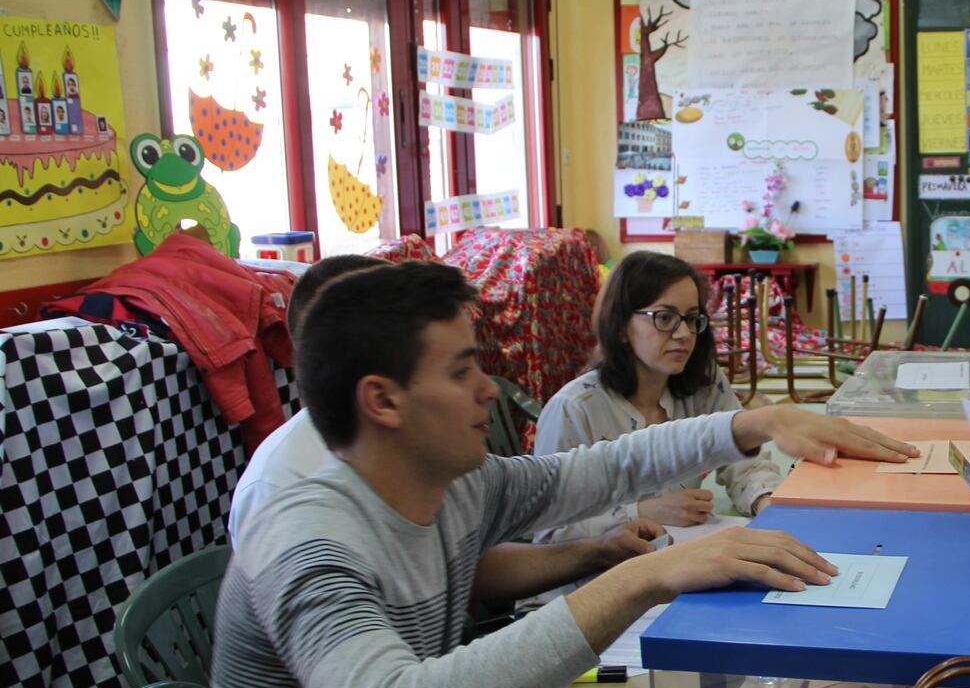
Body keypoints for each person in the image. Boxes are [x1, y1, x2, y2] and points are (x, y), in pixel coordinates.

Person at [178, 262, 914, 688]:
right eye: (463, 370)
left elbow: (606, 467)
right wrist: (639, 576)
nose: (487, 390)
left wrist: (756, 423)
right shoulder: (305, 538)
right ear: (383, 400)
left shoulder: (456, 486)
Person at [228, 254, 665, 608]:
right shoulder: (285, 491)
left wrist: (598, 552)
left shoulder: (415, 452)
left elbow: (459, 564)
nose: (489, 387)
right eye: (459, 371)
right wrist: (625, 587)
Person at [534, 252, 782, 536]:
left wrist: (768, 504)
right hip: (611, 574)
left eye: (691, 318)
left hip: (687, 562)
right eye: (664, 317)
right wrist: (636, 513)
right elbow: (550, 533)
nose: (684, 334)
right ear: (621, 325)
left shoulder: (704, 384)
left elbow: (744, 463)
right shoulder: (574, 409)